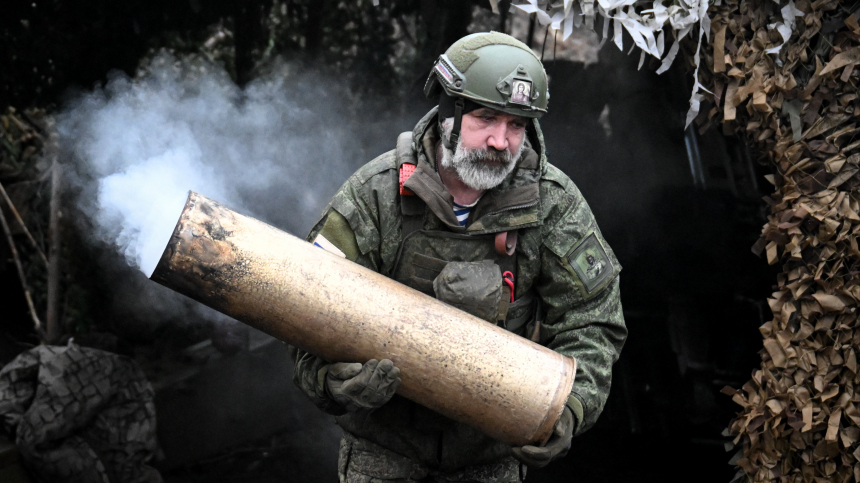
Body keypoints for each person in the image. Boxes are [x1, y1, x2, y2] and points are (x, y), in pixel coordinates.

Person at [289, 31, 626, 483]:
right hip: (384, 453)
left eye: (517, 125)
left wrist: (570, 408)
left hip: (491, 458)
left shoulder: (552, 204)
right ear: (449, 113)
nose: (501, 141)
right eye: (486, 118)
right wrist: (332, 381)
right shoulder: (376, 194)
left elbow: (593, 320)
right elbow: (304, 307)